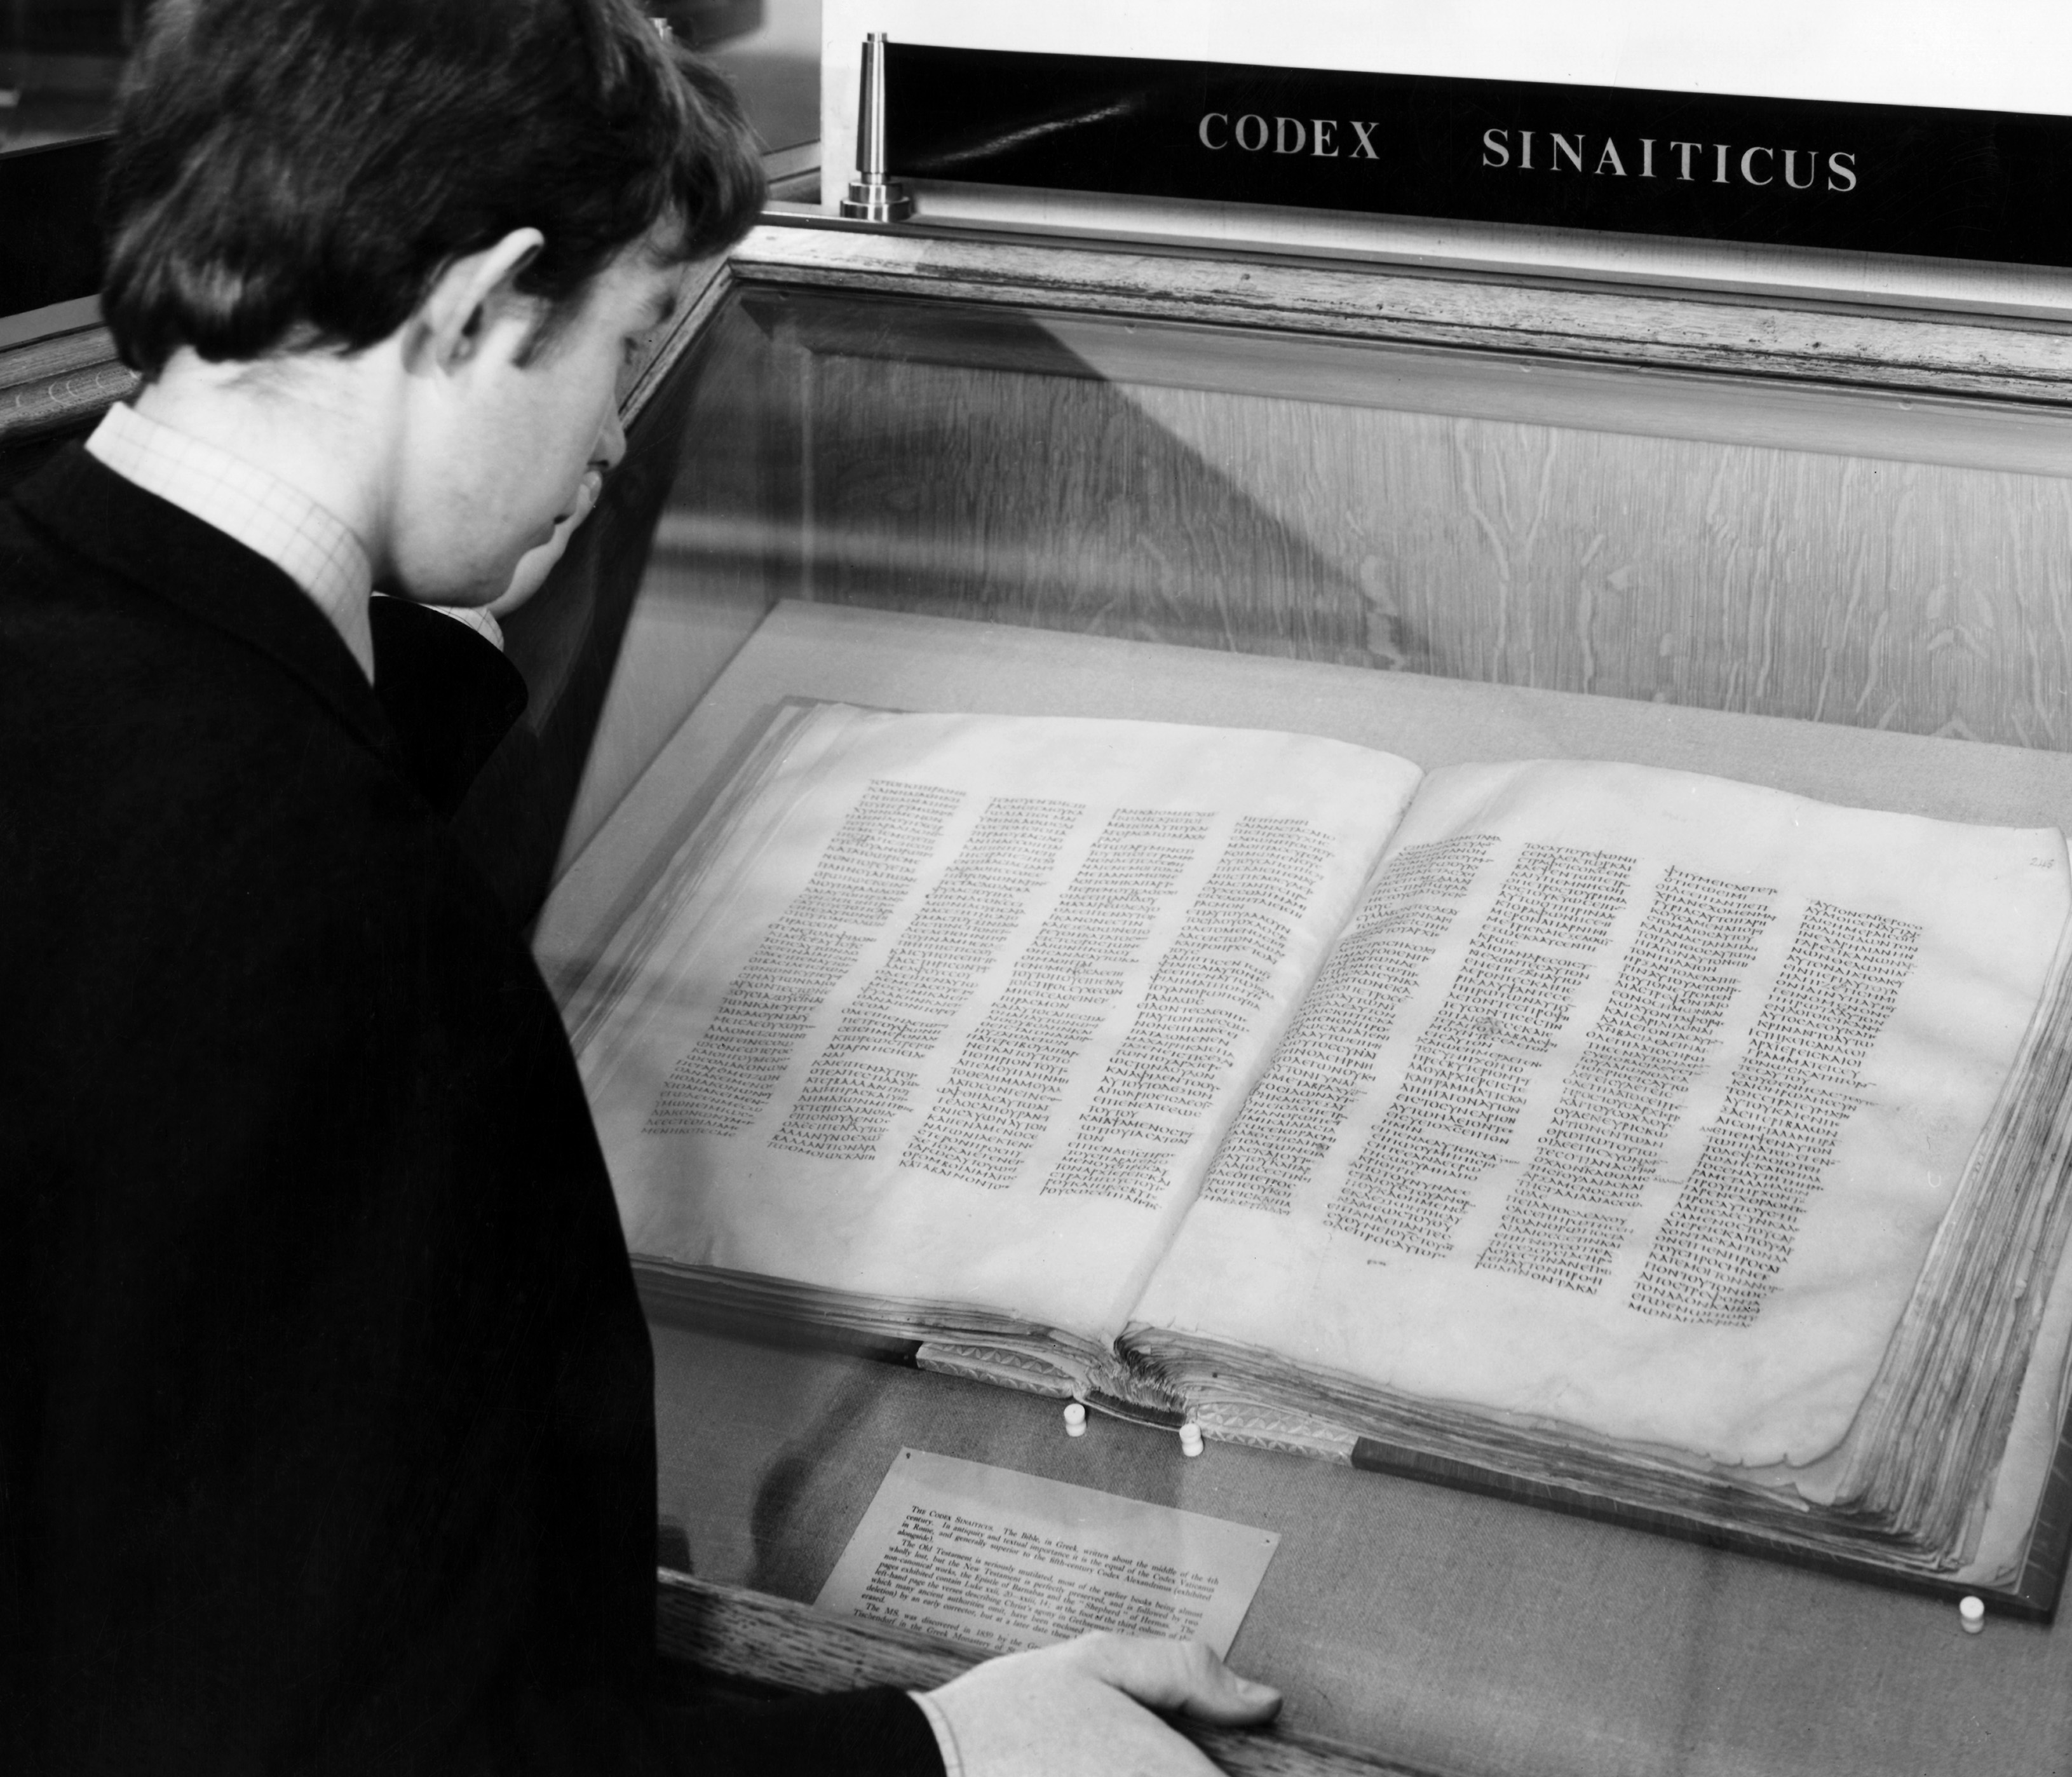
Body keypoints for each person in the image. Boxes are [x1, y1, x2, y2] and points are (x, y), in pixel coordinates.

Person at [0, 3, 1279, 1772]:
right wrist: (951, 1752)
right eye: (627, 342)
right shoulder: (329, 902)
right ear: (483, 304)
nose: (621, 439)